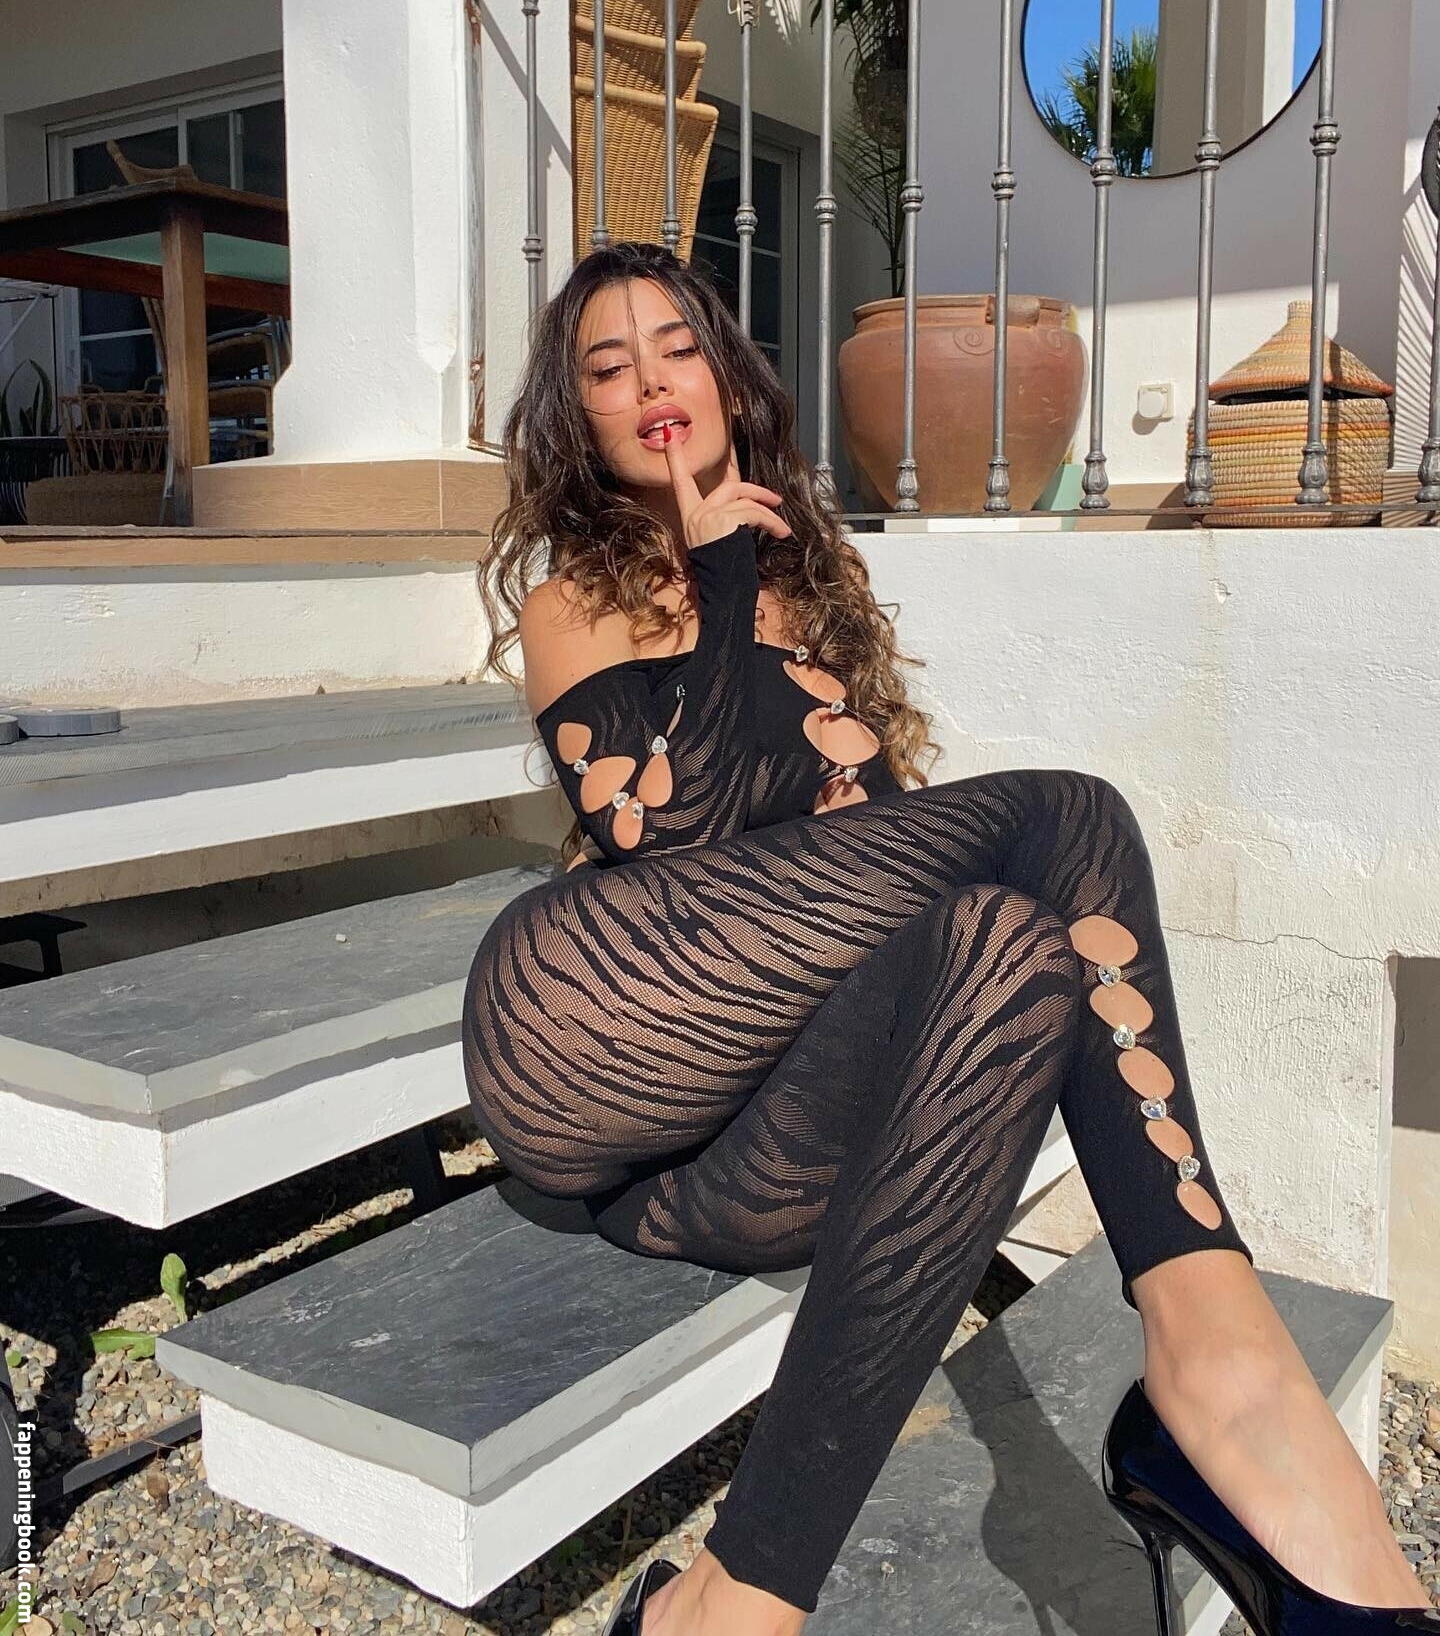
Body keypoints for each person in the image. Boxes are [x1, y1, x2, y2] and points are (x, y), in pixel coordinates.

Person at [462, 242, 1434, 1636]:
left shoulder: (812, 591)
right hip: (590, 1039)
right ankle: (1224, 1376)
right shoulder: (578, 606)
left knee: (1011, 945)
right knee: (1067, 819)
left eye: (678, 348)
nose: (652, 383)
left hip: (751, 1159)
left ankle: (732, 1601)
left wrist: (768, 611)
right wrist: (720, 576)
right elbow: (668, 845)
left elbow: (877, 914)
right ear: (583, 420)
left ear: (729, 378)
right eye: (609, 369)